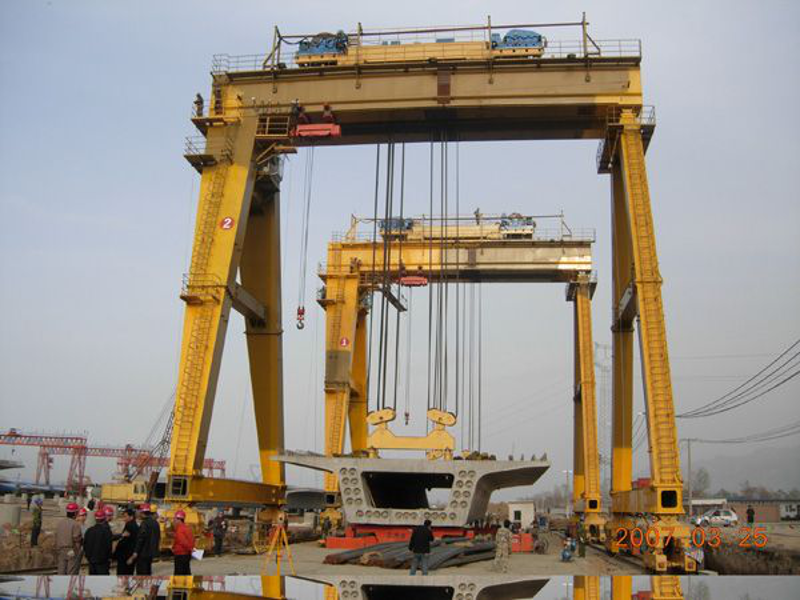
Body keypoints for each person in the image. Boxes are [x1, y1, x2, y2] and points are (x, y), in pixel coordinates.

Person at [130, 504, 160, 575]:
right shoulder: (155, 523)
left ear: (142, 513)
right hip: (150, 554)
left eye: (139, 511)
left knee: (142, 573)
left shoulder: (144, 523)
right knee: (147, 572)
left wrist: (136, 551)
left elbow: (141, 539)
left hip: (142, 554)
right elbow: (158, 537)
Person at [55, 502, 82, 575]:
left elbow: (56, 536)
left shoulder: (60, 523)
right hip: (71, 550)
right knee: (71, 573)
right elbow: (77, 539)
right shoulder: (75, 524)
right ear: (75, 513)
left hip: (61, 550)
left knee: (61, 571)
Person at [83, 509, 113, 574]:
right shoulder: (107, 531)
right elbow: (109, 546)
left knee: (93, 578)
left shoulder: (89, 530)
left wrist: (88, 557)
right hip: (102, 562)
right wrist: (109, 557)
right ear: (104, 518)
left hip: (91, 561)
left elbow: (85, 545)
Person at [113, 508, 139, 575]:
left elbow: (126, 541)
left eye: (125, 516)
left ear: (131, 517)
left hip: (125, 557)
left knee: (123, 575)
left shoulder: (130, 525)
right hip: (128, 556)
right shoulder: (135, 525)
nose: (124, 518)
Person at [172, 510, 195, 575]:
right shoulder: (187, 528)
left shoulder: (180, 529)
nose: (174, 521)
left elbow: (183, 542)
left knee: (179, 573)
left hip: (180, 554)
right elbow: (192, 539)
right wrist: (191, 549)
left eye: (175, 519)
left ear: (179, 519)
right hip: (186, 554)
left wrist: (173, 548)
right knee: (186, 571)